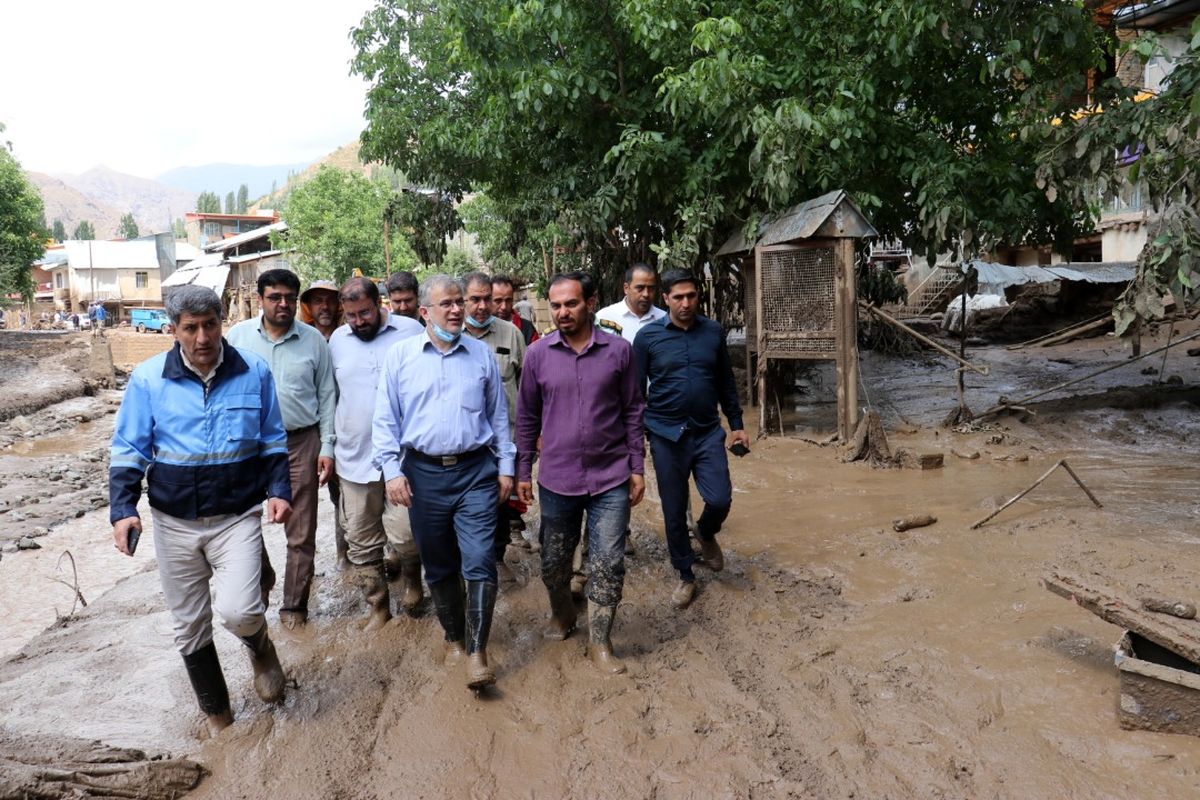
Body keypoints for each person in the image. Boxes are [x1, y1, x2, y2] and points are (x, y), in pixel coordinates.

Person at [108, 285, 290, 736]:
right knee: (189, 626)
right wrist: (122, 508)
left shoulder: (254, 372)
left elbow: (272, 441)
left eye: (210, 325)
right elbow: (129, 448)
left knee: (240, 611)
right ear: (173, 331)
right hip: (173, 523)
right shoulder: (149, 380)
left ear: (221, 323)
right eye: (190, 328)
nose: (202, 337)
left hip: (236, 517)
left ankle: (260, 646)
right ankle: (220, 721)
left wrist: (279, 490)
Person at [372, 274, 514, 690]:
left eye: (459, 303)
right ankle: (453, 635)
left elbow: (499, 418)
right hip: (424, 474)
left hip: (475, 472)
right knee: (439, 564)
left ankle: (477, 651)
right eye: (447, 304)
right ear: (424, 313)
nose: (456, 310)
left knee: (480, 559)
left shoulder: (481, 356)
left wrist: (506, 466)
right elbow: (385, 420)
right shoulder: (400, 358)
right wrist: (392, 472)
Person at [516, 272, 645, 674]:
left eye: (570, 303)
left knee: (608, 562)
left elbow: (633, 411)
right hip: (557, 478)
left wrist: (637, 467)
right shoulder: (538, 356)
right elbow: (526, 418)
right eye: (555, 305)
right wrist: (523, 470)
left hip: (610, 477)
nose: (562, 312)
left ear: (590, 302)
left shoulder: (619, 352)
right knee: (554, 562)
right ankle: (563, 614)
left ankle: (600, 642)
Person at [633, 269, 749, 609]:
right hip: (666, 436)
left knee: (720, 499)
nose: (686, 303)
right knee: (672, 510)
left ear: (698, 296)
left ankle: (706, 532)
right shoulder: (647, 338)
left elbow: (726, 382)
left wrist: (738, 423)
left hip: (707, 431)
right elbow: (636, 394)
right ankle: (685, 574)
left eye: (692, 296)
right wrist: (637, 437)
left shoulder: (713, 332)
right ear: (665, 299)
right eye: (678, 297)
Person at [227, 269, 336, 630]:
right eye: (275, 297)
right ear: (260, 300)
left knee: (301, 530)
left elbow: (327, 396)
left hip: (300, 442)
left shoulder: (313, 341)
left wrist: (328, 446)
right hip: (247, 446)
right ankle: (261, 582)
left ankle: (294, 608)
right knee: (241, 521)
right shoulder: (237, 338)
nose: (283, 304)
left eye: (290, 297)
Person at [329, 277, 425, 628]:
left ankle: (414, 583)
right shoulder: (337, 341)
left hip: (403, 458)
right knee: (360, 539)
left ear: (380, 304)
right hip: (353, 459)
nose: (358, 322)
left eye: (365, 313)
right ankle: (379, 607)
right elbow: (330, 396)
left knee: (406, 534)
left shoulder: (412, 331)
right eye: (351, 315)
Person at [461, 271, 527, 582]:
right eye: (475, 299)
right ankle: (467, 563)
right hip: (465, 443)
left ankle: (497, 557)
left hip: (503, 441)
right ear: (462, 300)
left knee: (500, 502)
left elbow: (527, 388)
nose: (484, 306)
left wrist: (530, 436)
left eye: (487, 298)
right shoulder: (448, 334)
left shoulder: (511, 334)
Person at [298, 279, 350, 571]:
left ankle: (348, 551)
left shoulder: (349, 335)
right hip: (310, 431)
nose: (325, 306)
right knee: (314, 499)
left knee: (346, 492)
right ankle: (327, 556)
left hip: (346, 428)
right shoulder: (303, 339)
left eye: (330, 300)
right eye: (317, 301)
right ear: (308, 307)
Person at [595, 263, 667, 345]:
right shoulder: (605, 317)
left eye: (651, 289)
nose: (646, 294)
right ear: (626, 288)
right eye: (640, 288)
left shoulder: (665, 320)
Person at [491, 275, 539, 346]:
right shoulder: (479, 328)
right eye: (498, 301)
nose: (504, 307)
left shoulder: (527, 329)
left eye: (508, 300)